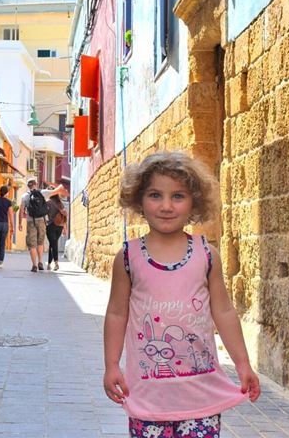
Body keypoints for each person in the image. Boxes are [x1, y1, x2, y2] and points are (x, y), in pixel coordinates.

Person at [103, 151, 260, 438]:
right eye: (155, 195)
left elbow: (223, 312)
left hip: (200, 397)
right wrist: (111, 365)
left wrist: (243, 364)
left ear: (194, 202)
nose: (166, 206)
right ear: (138, 199)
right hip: (148, 397)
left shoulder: (206, 254)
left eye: (178, 196)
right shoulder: (128, 258)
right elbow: (116, 313)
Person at [20, 179, 65, 272]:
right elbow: (57, 190)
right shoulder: (43, 193)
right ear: (36, 184)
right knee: (40, 242)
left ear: (28, 186)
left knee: (32, 244)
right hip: (42, 220)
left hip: (30, 221)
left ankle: (34, 265)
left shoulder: (25, 196)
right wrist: (60, 186)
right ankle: (40, 261)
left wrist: (20, 223)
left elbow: (21, 211)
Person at [46, 194, 68, 271]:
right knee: (53, 244)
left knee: (53, 244)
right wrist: (65, 229)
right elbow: (64, 217)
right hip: (60, 226)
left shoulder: (48, 202)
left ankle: (56, 263)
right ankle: (49, 264)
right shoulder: (60, 203)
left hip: (51, 225)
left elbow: (44, 213)